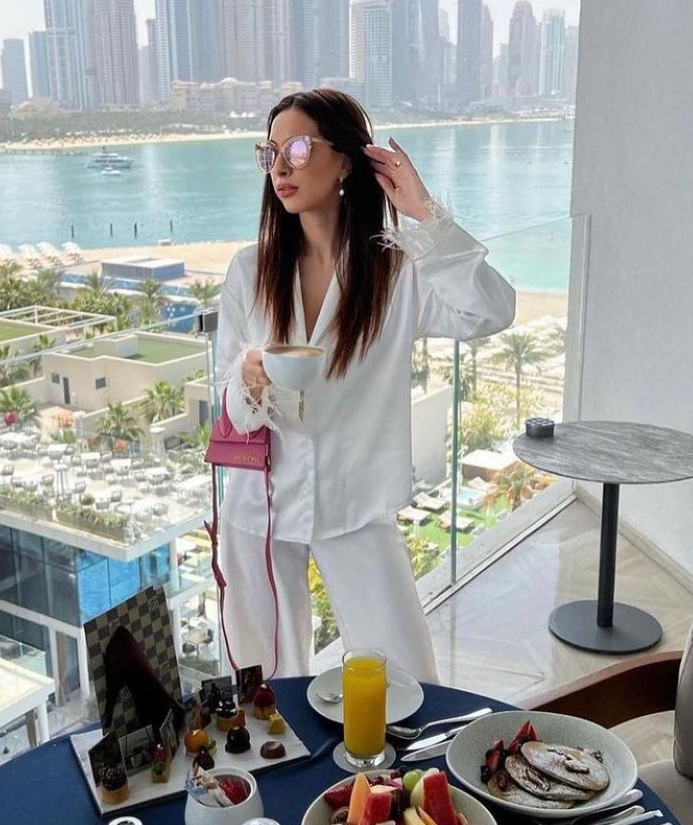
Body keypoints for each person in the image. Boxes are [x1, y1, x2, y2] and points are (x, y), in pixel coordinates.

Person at [216, 88, 515, 681]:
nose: (280, 167)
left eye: (298, 149)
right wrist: (247, 376)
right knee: (259, 682)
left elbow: (489, 311)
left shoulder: (395, 272)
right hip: (258, 506)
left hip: (355, 502)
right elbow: (227, 399)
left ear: (346, 162)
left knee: (403, 675)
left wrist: (425, 215)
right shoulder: (249, 270)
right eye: (270, 152)